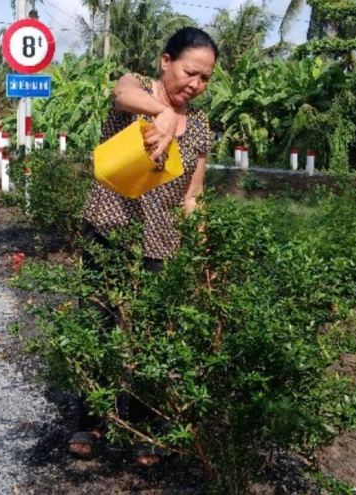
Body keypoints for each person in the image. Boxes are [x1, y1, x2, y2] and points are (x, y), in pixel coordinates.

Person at [69, 26, 218, 465]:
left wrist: (201, 246)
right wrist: (162, 114)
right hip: (109, 229)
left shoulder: (202, 126)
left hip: (162, 243)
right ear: (165, 61)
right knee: (98, 325)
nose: (196, 85)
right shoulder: (135, 90)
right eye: (190, 72)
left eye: (205, 79)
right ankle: (91, 419)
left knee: (151, 335)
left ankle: (145, 427)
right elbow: (121, 94)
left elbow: (192, 194)